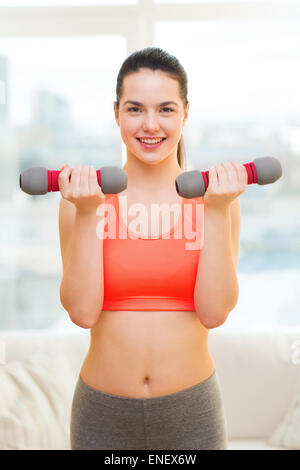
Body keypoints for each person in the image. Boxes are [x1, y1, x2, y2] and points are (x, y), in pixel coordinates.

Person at [59, 47, 247, 450]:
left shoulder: (217, 201)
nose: (150, 125)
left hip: (191, 413)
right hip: (102, 413)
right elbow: (81, 311)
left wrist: (216, 212)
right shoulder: (81, 200)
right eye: (134, 109)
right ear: (116, 114)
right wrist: (90, 213)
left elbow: (214, 313)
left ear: (185, 113)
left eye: (165, 109)